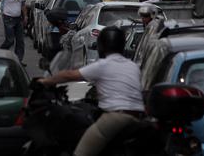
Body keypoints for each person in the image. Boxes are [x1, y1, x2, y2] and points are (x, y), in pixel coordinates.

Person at [39, 26, 145, 156]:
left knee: (81, 153)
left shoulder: (103, 65)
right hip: (138, 117)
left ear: (101, 45)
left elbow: (69, 75)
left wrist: (44, 81)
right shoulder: (132, 66)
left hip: (115, 118)